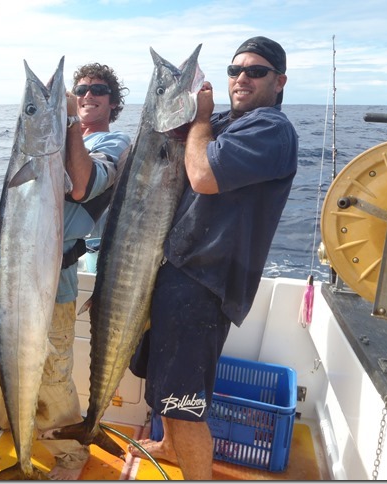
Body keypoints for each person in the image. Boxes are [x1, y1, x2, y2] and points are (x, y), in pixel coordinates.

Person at [127, 36, 298, 479]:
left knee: (183, 403)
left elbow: (202, 175)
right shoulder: (224, 122)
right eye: (235, 69)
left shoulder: (270, 129)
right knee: (165, 387)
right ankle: (166, 446)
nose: (242, 78)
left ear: (278, 82)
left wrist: (200, 118)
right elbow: (175, 142)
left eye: (256, 71)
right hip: (176, 272)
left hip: (202, 284)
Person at [0, 63, 131, 480]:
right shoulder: (51, 140)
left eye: (98, 90)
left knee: (53, 368)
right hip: (8, 273)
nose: (88, 95)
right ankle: (5, 418)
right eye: (81, 89)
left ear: (113, 102)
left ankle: (67, 450)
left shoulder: (114, 141)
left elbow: (82, 186)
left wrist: (71, 122)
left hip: (51, 279)